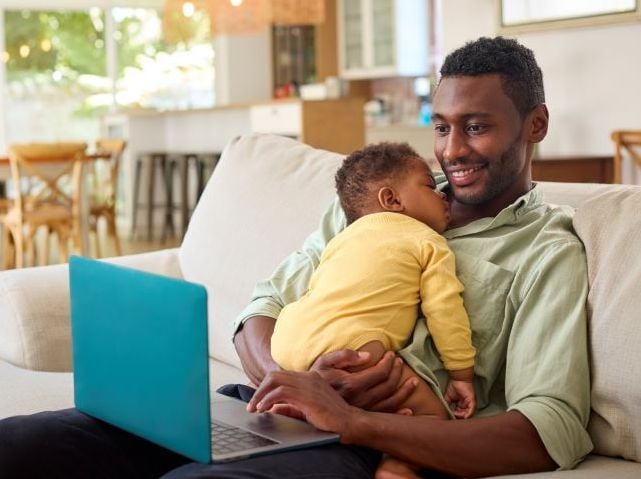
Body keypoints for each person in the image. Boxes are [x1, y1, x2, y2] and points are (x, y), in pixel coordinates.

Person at [0, 36, 592, 479]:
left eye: (477, 127)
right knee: (25, 448)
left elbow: (549, 429)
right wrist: (289, 376)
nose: (451, 151)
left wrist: (350, 418)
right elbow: (262, 308)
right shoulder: (378, 206)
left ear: (534, 124)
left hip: (365, 449)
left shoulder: (545, 251)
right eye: (441, 127)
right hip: (258, 409)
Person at [272, 141, 476, 423]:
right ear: (392, 200)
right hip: (352, 346)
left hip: (288, 337)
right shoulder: (427, 240)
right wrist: (461, 374)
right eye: (430, 186)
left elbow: (316, 287)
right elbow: (444, 311)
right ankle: (398, 466)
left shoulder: (341, 239)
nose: (443, 195)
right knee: (434, 416)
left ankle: (302, 411)